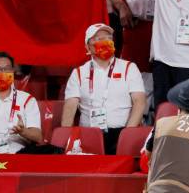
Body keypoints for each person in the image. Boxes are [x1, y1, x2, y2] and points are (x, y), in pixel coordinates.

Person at [62, 23, 147, 154]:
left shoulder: (129, 68)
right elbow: (70, 107)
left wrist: (127, 135)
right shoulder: (79, 73)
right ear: (87, 46)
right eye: (98, 39)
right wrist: (65, 140)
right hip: (89, 134)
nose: (104, 42)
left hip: (122, 131)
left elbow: (140, 102)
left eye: (108, 38)